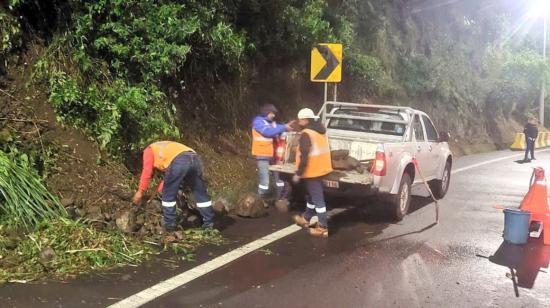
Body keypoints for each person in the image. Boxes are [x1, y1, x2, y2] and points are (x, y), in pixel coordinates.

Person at [132, 141, 215, 231]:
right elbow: (169, 180)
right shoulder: (163, 149)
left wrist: (140, 191)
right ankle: (209, 223)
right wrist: (159, 189)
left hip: (180, 161)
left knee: (168, 195)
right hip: (194, 158)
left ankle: (170, 225)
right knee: (199, 192)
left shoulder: (148, 151)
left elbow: (147, 172)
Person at [291, 108, 333, 237]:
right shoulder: (320, 130)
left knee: (318, 199)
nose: (299, 122)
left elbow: (305, 155)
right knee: (310, 196)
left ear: (305, 120)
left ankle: (323, 228)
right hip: (322, 169)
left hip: (312, 171)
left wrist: (299, 173)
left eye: (300, 120)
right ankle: (306, 218)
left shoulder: (307, 133)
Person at [251, 104, 293, 202]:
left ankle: (280, 198)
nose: (274, 115)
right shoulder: (258, 122)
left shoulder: (268, 122)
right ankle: (259, 202)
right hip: (262, 155)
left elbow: (276, 127)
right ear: (266, 113)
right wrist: (284, 127)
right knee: (264, 182)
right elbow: (269, 132)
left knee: (279, 178)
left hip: (272, 155)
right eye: (272, 113)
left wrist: (285, 127)